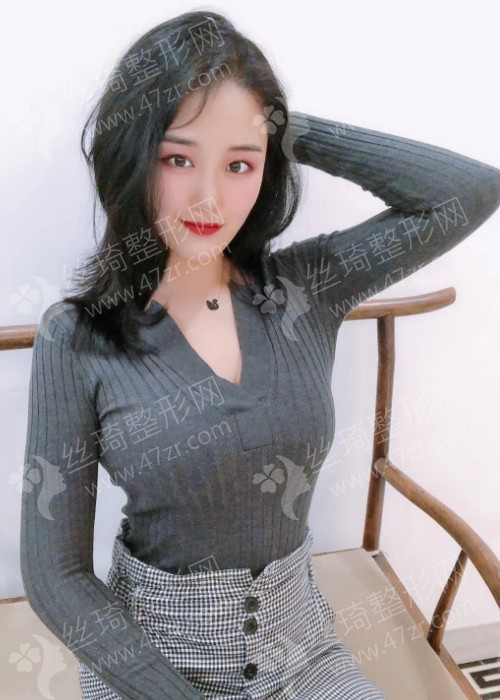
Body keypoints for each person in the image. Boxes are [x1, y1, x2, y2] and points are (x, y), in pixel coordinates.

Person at [19, 10, 500, 700]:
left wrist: (278, 122)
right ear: (132, 156)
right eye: (178, 158)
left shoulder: (309, 287)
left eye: (240, 163)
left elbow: (469, 192)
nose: (210, 197)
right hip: (153, 664)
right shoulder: (77, 336)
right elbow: (55, 575)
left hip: (301, 650)